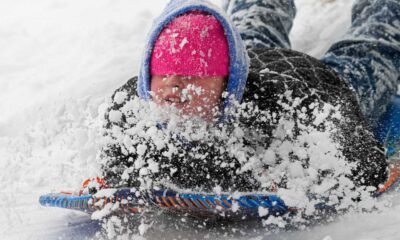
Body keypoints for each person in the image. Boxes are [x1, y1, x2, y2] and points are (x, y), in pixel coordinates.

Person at [99, 0, 400, 212]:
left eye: (193, 75)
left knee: (371, 48)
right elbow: (118, 167)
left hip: (318, 84)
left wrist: (312, 178)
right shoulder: (129, 108)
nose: (174, 85)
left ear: (227, 84)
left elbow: (361, 162)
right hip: (254, 56)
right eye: (162, 74)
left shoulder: (282, 108)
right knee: (256, 17)